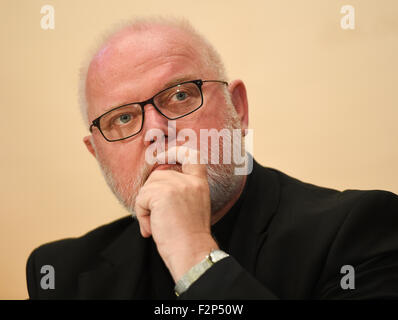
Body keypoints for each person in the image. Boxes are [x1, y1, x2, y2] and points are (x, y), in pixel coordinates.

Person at [26, 17, 398, 299]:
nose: (156, 130)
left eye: (180, 96)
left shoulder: (358, 232)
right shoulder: (62, 273)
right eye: (123, 118)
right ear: (97, 153)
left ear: (238, 108)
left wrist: (193, 253)